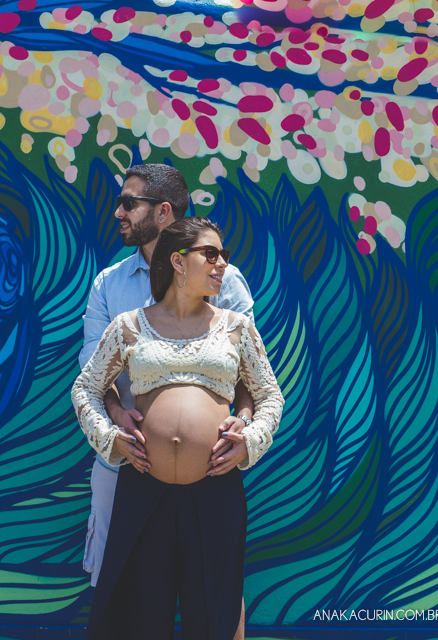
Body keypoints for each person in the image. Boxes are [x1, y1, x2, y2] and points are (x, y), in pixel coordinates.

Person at [72, 216, 284, 638]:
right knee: (141, 614)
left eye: (224, 254)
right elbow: (86, 389)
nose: (221, 263)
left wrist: (249, 439)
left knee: (215, 613)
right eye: (211, 253)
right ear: (178, 261)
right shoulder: (129, 325)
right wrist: (112, 437)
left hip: (216, 488)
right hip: (144, 488)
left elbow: (270, 396)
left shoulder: (237, 328)